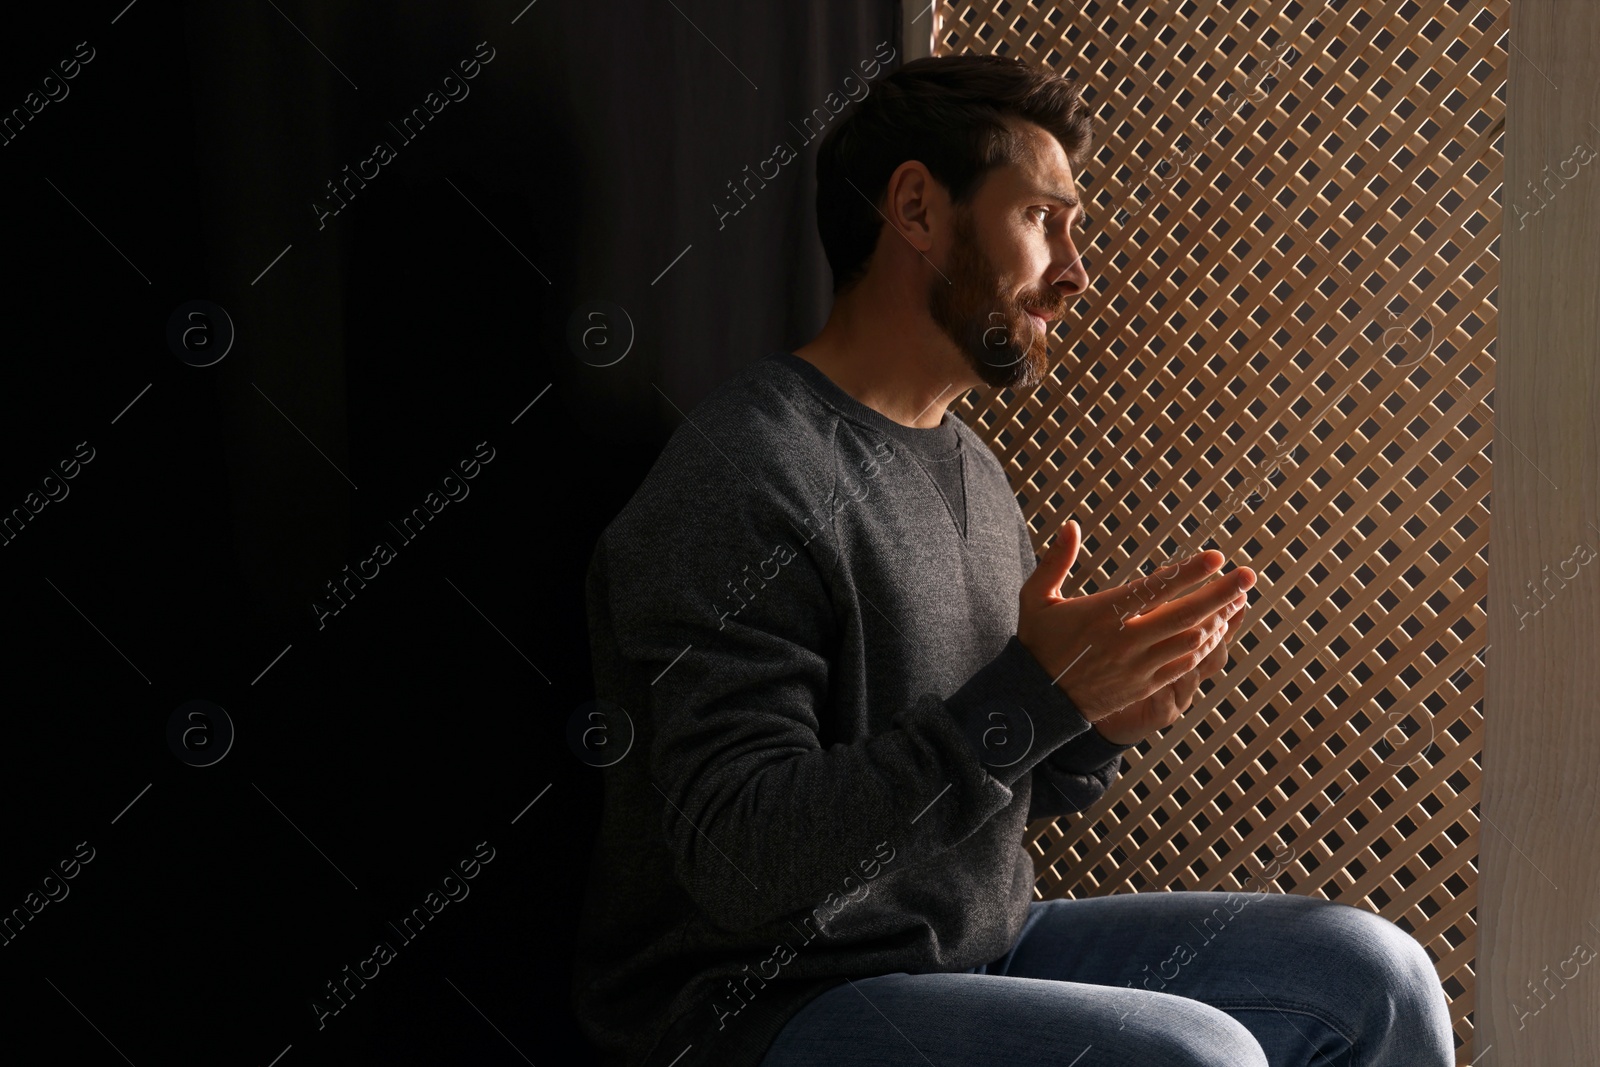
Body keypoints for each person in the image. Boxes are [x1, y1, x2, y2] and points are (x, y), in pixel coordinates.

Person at [572, 53, 1455, 1067]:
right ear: (915, 208)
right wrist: (1036, 694)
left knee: (1369, 972)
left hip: (973, 947)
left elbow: (984, 777)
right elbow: (741, 857)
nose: (1077, 270)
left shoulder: (972, 468)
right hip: (759, 1003)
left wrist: (1088, 723)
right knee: (1190, 1055)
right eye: (1043, 219)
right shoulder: (746, 474)